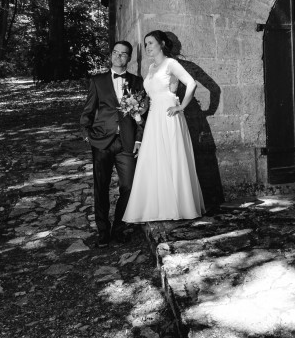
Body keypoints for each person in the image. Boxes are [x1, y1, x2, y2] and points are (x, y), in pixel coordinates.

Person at [123, 30, 205, 223]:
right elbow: (151, 94)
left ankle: (179, 206)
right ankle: (157, 207)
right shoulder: (151, 68)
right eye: (146, 44)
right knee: (155, 159)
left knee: (171, 157)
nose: (148, 47)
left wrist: (181, 107)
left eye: (151, 43)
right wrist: (137, 106)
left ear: (161, 43)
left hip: (169, 117)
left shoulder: (171, 63)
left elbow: (191, 83)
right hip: (153, 117)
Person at [80, 40, 146, 247]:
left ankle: (118, 228)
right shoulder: (98, 81)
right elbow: (88, 110)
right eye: (116, 53)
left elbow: (143, 114)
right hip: (102, 142)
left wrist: (138, 139)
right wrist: (87, 133)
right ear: (111, 55)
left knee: (128, 186)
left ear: (129, 58)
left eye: (123, 54)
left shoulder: (137, 81)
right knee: (101, 187)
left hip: (126, 143)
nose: (119, 57)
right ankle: (103, 232)